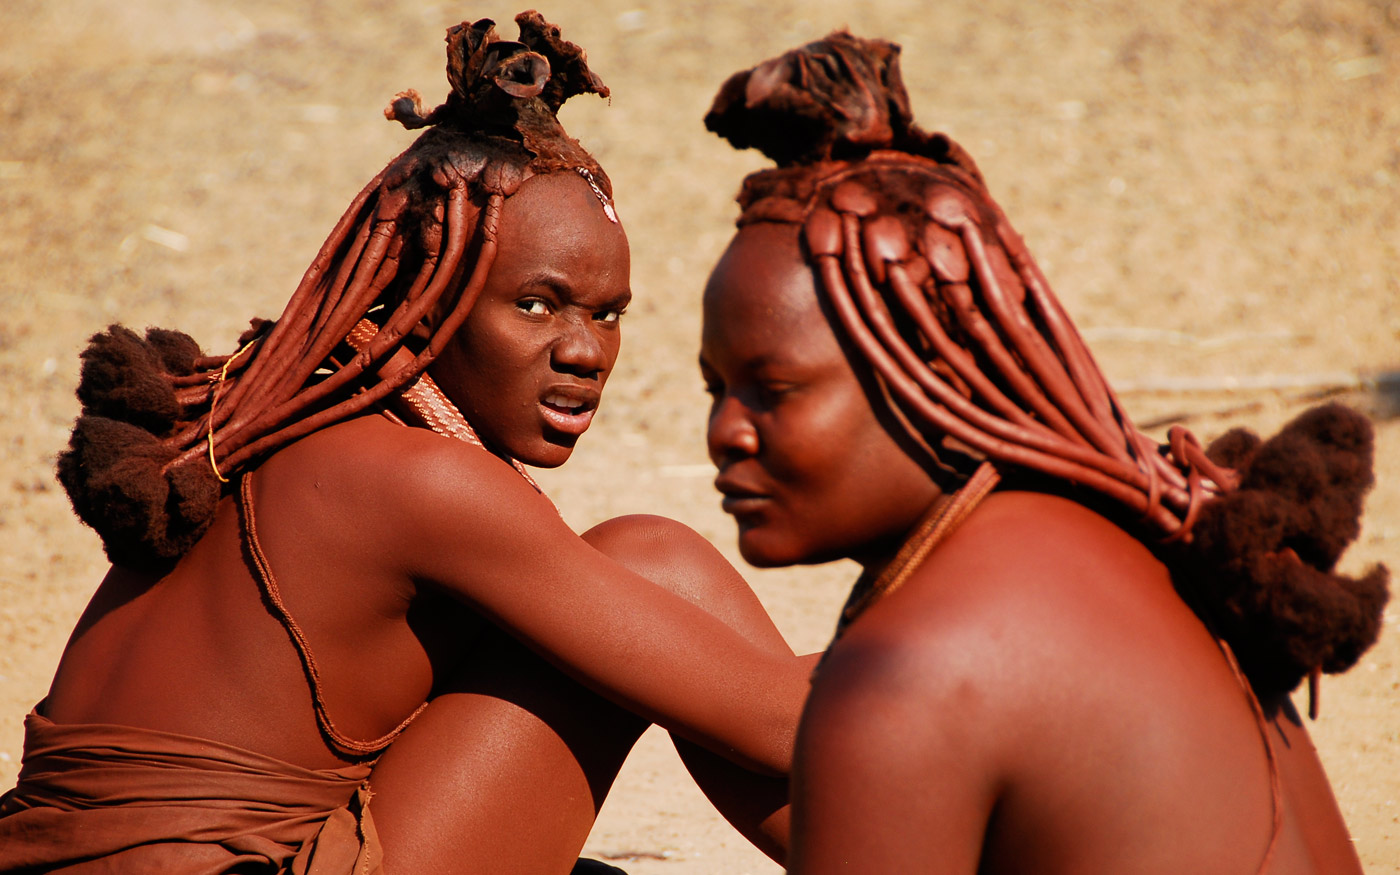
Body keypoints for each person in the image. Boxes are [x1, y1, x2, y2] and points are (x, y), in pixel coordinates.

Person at [0, 14, 804, 874]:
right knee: (656, 568)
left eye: (608, 314)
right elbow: (781, 722)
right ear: (435, 293)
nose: (585, 350)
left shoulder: (281, 411)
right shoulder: (424, 483)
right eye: (537, 304)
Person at [698, 31, 1389, 875]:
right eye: (715, 389)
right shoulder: (1161, 539)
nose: (724, 431)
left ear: (925, 364)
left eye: (772, 387)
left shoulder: (909, 672)